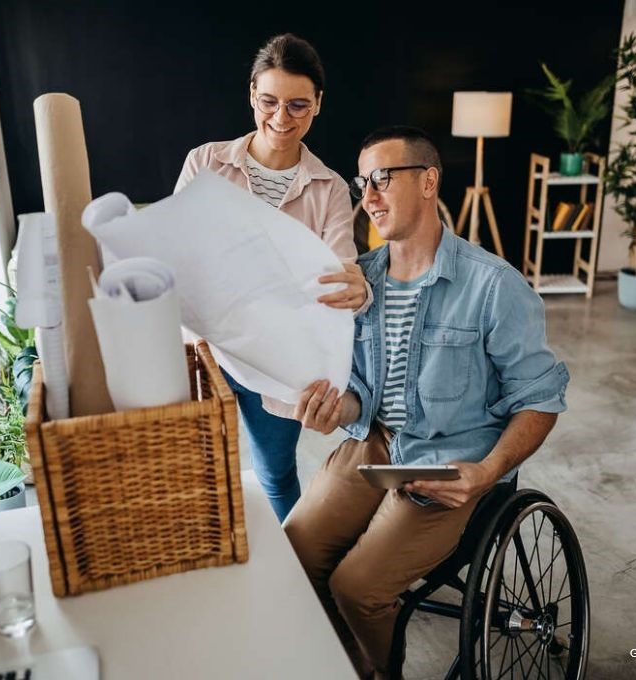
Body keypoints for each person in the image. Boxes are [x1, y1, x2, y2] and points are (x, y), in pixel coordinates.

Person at [283, 126, 569, 679]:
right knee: (293, 553)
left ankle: (377, 671)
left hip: (452, 461)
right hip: (376, 446)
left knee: (357, 586)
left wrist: (486, 471)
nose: (368, 196)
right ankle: (336, 662)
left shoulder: (494, 286)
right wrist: (335, 408)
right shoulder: (362, 280)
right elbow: (364, 391)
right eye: (362, 182)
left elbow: (541, 399)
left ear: (429, 181)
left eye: (383, 179)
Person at [175, 34, 369, 522]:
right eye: (270, 102)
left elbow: (339, 271)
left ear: (318, 104)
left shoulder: (329, 190)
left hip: (280, 361)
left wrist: (356, 287)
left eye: (298, 105)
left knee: (276, 473)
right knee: (200, 473)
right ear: (252, 96)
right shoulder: (205, 163)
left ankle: (299, 579)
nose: (282, 119)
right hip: (204, 350)